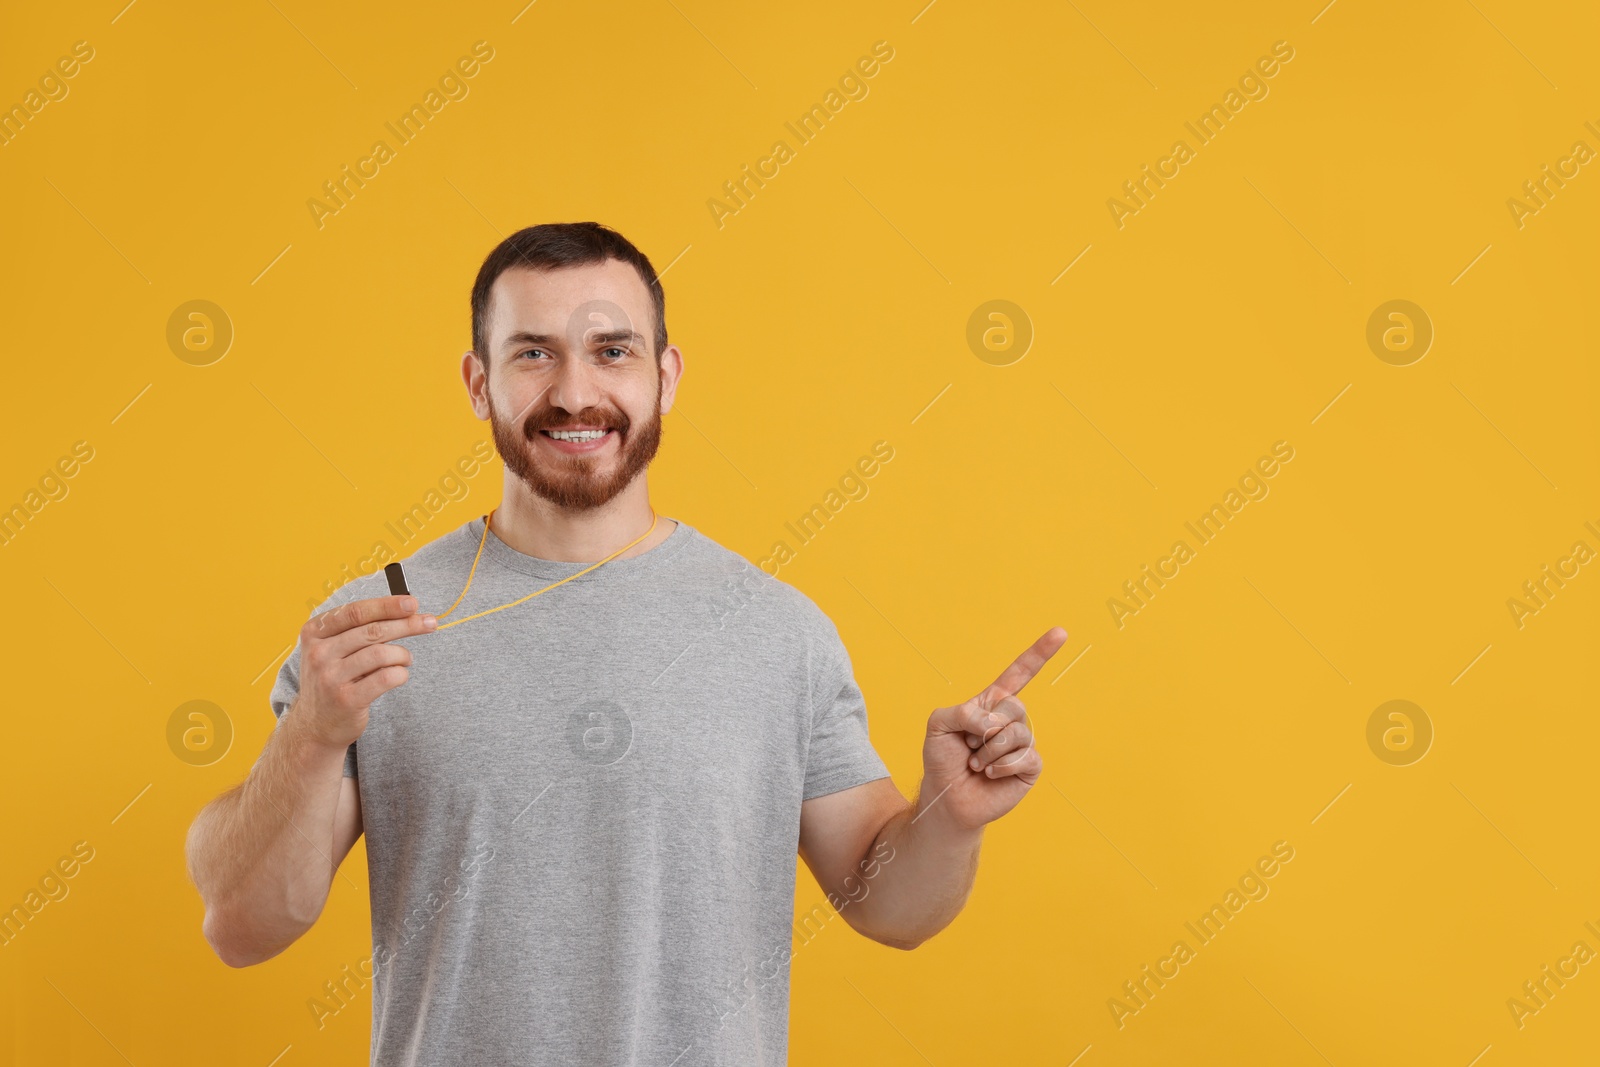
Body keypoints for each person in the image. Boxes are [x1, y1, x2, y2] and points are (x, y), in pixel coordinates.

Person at [184, 221, 1066, 1065]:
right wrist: (311, 734)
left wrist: (948, 818)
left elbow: (890, 908)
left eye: (613, 351)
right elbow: (243, 922)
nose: (575, 392)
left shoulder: (775, 630)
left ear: (666, 376)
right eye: (533, 352)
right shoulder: (374, 625)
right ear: (478, 382)